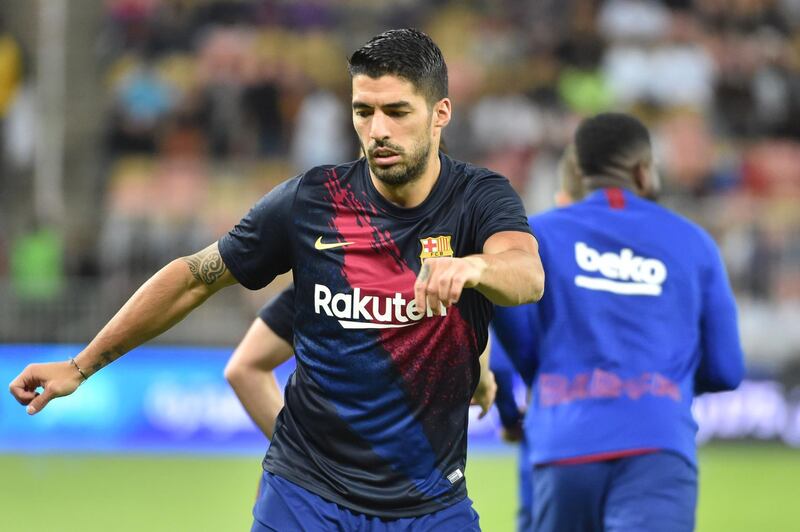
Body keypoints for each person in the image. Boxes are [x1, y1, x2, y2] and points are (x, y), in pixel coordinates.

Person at [10, 28, 544, 531]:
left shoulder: (480, 199)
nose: (378, 130)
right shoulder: (311, 201)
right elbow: (195, 277)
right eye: (364, 111)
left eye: (396, 111)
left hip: (430, 504)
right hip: (305, 495)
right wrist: (81, 366)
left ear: (439, 113)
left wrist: (474, 268)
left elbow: (526, 274)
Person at [493, 112, 744, 532]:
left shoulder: (535, 237)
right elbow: (726, 368)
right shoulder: (694, 242)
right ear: (643, 172)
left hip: (563, 443)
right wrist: (662, 382)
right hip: (657, 444)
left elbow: (510, 335)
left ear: (581, 171)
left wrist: (541, 383)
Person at [225, 285, 498, 442]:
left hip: (316, 492)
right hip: (405, 494)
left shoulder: (326, 274)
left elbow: (244, 368)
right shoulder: (323, 277)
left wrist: (300, 454)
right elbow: (243, 369)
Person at [490, 142, 585, 532]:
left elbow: (500, 359)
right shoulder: (657, 244)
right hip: (644, 431)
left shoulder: (538, 242)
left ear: (563, 197)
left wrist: (512, 418)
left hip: (554, 422)